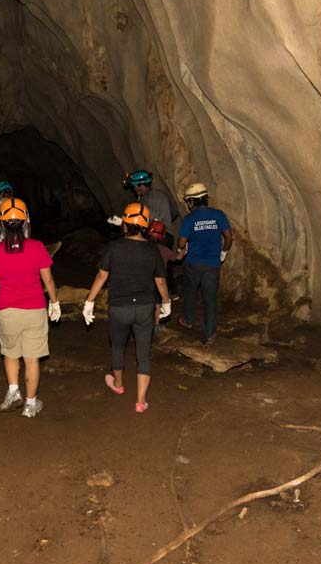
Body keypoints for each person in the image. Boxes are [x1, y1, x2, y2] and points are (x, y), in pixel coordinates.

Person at [83, 202, 172, 413]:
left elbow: (101, 275)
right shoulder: (152, 250)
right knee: (143, 353)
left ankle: (119, 385)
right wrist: (166, 302)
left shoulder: (114, 247)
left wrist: (89, 301)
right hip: (144, 308)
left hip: (119, 308)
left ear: (125, 224)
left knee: (117, 347)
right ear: (145, 226)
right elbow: (160, 280)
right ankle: (141, 400)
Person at [0, 197, 61, 418]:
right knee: (32, 359)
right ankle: (30, 404)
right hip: (34, 308)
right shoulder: (37, 247)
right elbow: (48, 280)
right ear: (25, 221)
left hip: (7, 310)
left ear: (2, 224)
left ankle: (13, 390)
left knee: (10, 353)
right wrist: (54, 302)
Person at [175, 182, 232, 345]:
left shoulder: (190, 219)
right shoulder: (218, 215)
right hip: (213, 265)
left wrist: (182, 249)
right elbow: (229, 237)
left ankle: (188, 319)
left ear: (192, 201)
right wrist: (223, 253)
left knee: (190, 292)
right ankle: (210, 333)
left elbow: (181, 241)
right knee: (210, 299)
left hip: (194, 263)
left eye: (188, 202)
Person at [108, 169, 178, 236]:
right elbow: (174, 212)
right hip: (160, 234)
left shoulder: (152, 198)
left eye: (134, 186)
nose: (134, 189)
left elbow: (148, 219)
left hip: (159, 235)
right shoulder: (154, 196)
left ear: (141, 185)